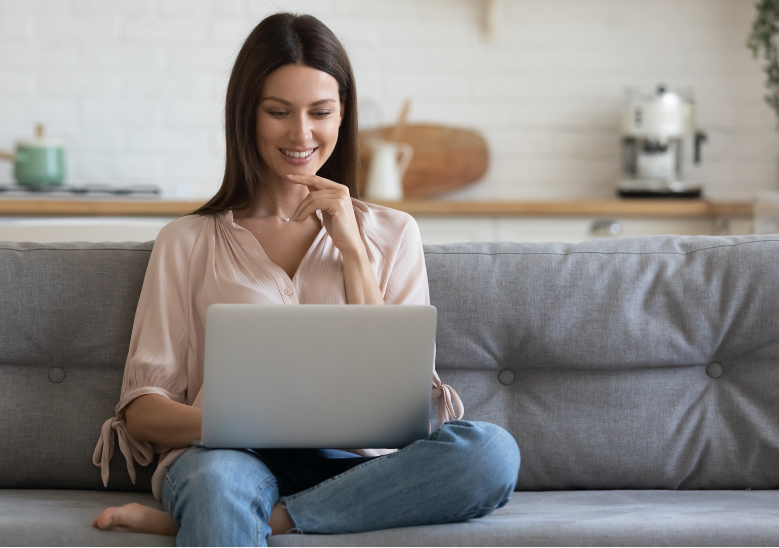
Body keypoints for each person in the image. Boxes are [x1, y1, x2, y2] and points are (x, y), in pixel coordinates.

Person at [91, 12, 520, 546]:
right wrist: (241, 423)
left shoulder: (394, 232)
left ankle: (266, 519)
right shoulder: (187, 241)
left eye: (320, 112)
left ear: (343, 116)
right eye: (278, 112)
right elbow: (142, 413)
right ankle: (230, 509)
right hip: (227, 459)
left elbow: (398, 399)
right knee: (218, 484)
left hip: (356, 466)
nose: (301, 134)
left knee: (492, 452)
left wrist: (353, 252)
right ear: (247, 116)